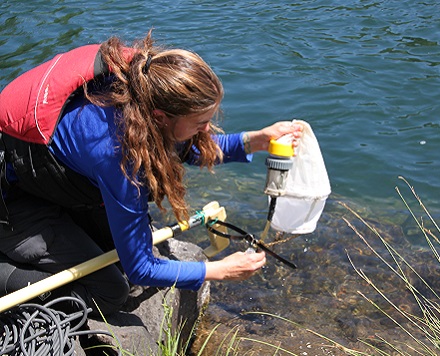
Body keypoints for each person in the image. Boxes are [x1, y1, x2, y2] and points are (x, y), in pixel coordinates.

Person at [0, 30, 301, 316]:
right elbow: (141, 267)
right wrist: (218, 270)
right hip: (12, 201)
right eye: (201, 123)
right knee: (112, 290)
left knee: (118, 257)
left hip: (47, 178)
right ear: (160, 118)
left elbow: (186, 145)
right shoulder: (119, 155)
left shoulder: (143, 90)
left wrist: (257, 139)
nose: (207, 130)